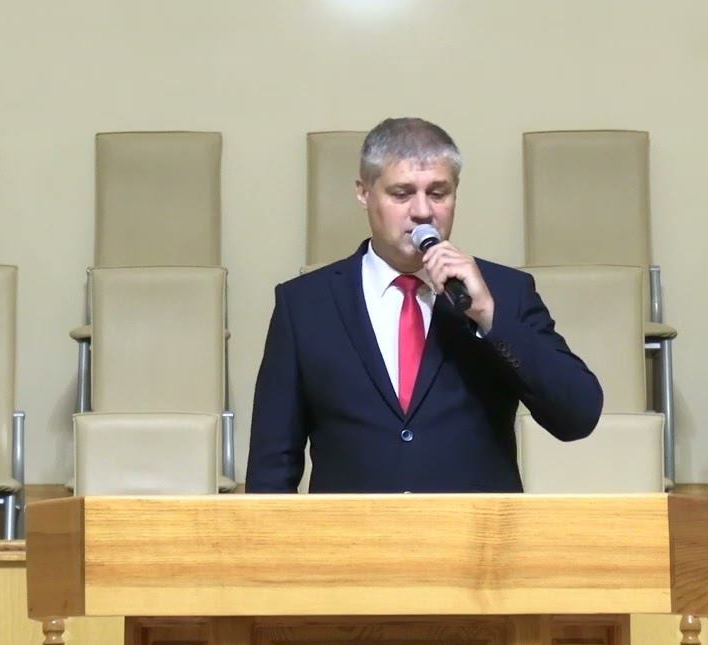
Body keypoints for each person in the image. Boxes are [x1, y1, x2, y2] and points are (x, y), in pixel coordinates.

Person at [246, 117, 602, 493]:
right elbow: (271, 469)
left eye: (438, 193)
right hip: (352, 531)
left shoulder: (504, 291)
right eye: (401, 194)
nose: (422, 211)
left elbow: (577, 415)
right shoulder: (304, 304)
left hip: (474, 530)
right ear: (364, 193)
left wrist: (488, 315)